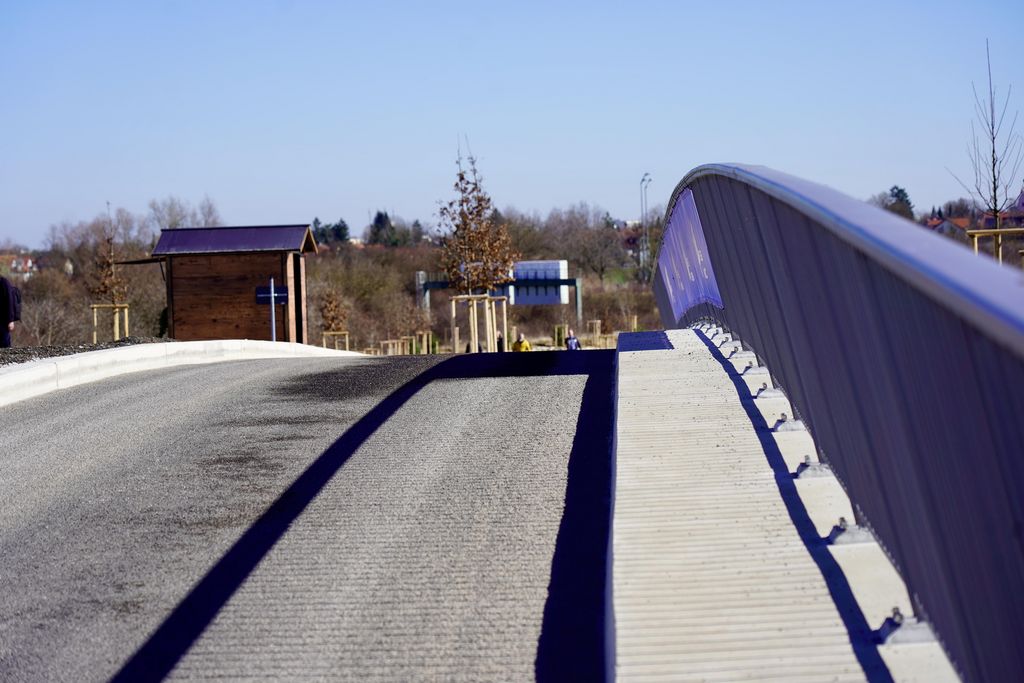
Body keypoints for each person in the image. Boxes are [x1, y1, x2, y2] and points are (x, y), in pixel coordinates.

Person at [0, 275, 17, 348]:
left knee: (5, 346)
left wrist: (10, 320)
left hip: (2, 321)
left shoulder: (3, 282)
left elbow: (10, 302)